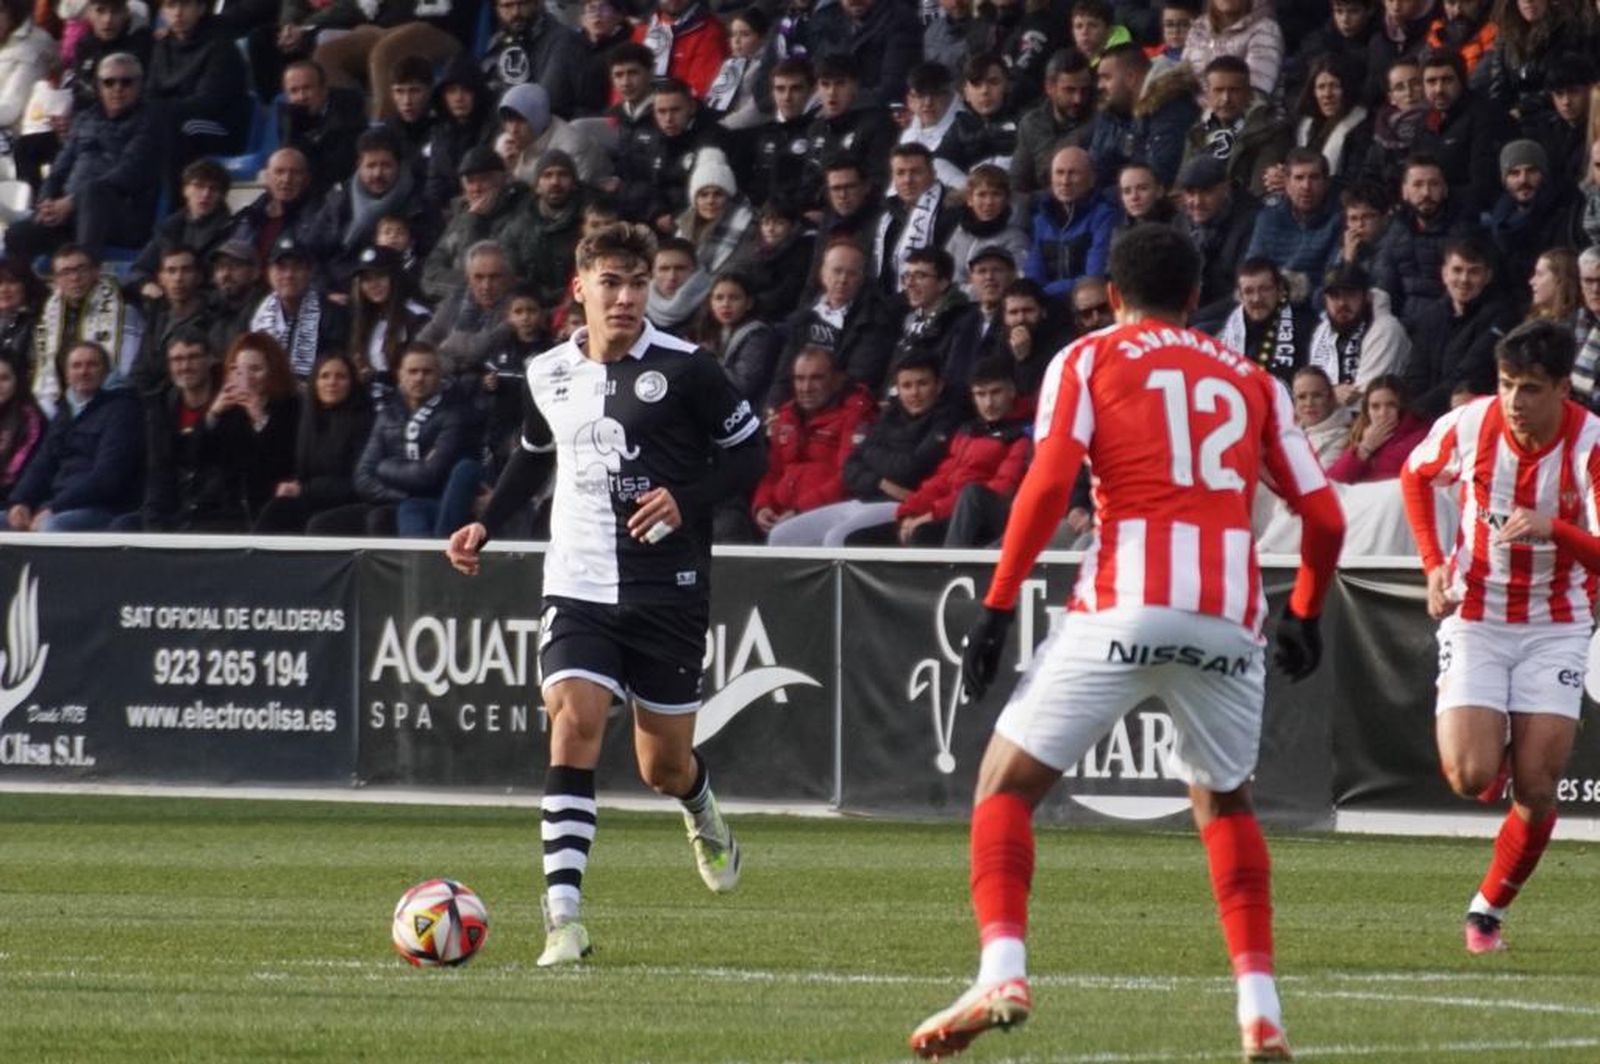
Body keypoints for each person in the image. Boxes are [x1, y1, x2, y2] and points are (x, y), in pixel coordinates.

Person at [907, 223, 1344, 1063]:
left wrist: (998, 604)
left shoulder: (1087, 357)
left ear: (1111, 297)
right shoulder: (1252, 379)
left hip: (1126, 600)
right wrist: (1308, 610)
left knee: (1003, 788)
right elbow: (1323, 516)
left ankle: (1002, 971)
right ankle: (1261, 1011)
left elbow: (1047, 483)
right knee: (1226, 803)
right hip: (1227, 614)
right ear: (1196, 298)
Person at [444, 222, 765, 967]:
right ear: (579, 288)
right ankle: (564, 919)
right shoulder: (547, 372)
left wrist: (687, 498)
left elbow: (752, 453)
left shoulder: (689, 369)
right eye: (611, 283)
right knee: (573, 725)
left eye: (637, 283)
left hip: (668, 590)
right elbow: (534, 453)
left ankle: (701, 809)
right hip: (578, 582)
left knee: (663, 767)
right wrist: (488, 522)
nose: (625, 298)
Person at [1402, 319, 1599, 957]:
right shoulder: (1469, 425)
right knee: (1469, 775)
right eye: (1507, 383)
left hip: (1556, 624)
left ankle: (1487, 910)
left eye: (1531, 388)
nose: (1515, 400)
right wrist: (1434, 565)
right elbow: (1415, 475)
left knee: (1537, 788)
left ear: (1563, 389)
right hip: (1478, 614)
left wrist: (1554, 528)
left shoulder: (1590, 444)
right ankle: (1494, 749)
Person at [768, 352, 960, 546]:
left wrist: (869, 455)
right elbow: (850, 467)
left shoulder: (948, 420)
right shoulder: (889, 415)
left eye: (922, 384)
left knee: (837, 538)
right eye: (907, 386)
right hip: (861, 500)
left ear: (938, 385)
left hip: (900, 506)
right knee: (780, 536)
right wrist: (881, 482)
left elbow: (909, 469)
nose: (914, 393)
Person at [5, 52, 161, 263]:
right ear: (99, 86)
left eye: (126, 82)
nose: (117, 88)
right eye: (109, 82)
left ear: (140, 85)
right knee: (17, 235)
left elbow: (127, 173)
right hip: (70, 213)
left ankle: (86, 273)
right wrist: (47, 202)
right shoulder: (85, 118)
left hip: (124, 216)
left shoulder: (151, 120)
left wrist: (72, 201)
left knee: (92, 191)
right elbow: (60, 168)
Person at [894, 356, 1030, 547]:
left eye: (995, 392)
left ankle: (952, 564)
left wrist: (934, 514)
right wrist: (910, 512)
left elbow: (1003, 488)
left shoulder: (1023, 432)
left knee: (971, 494)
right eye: (981, 395)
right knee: (868, 538)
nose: (989, 403)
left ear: (1011, 391)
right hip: (953, 511)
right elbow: (943, 479)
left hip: (999, 517)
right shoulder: (968, 430)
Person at [7, 341, 144, 531]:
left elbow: (107, 478)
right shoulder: (65, 412)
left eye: (92, 365)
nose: (83, 372)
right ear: (66, 375)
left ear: (106, 371)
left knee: (51, 527)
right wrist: (21, 501)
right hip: (57, 504)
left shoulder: (122, 410)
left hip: (101, 508)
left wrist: (55, 507)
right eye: (76, 366)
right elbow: (42, 464)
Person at [755, 344, 878, 536]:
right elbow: (772, 473)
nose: (806, 388)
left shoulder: (856, 414)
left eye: (816, 378)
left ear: (837, 380)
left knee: (782, 536)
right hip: (781, 517)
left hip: (831, 516)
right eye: (799, 379)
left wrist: (800, 510)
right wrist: (762, 506)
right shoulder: (786, 416)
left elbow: (849, 478)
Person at [254, 352, 375, 534]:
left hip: (351, 502)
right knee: (275, 509)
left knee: (318, 525)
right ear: (315, 382)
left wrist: (304, 490)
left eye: (340, 377)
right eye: (324, 376)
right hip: (312, 498)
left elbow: (358, 483)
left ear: (352, 383)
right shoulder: (307, 418)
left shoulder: (365, 421)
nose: (332, 382)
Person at [1307, 263, 1412, 406]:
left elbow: (1366, 398)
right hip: (1328, 416)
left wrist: (1325, 395)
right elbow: (1310, 388)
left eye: (1350, 295)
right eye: (1334, 296)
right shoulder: (1323, 330)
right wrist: (1331, 393)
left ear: (1367, 296)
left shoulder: (1386, 329)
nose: (1342, 303)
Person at [1024, 145, 1115, 299]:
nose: (1065, 181)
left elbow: (1094, 276)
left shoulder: (1104, 216)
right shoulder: (1040, 221)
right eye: (1059, 173)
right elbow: (1033, 274)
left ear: (1092, 179)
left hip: (1087, 302)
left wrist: (1045, 293)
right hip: (1046, 304)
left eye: (1073, 173)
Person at [1214, 258, 1314, 386]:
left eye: (1264, 289)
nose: (1257, 298)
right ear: (1240, 296)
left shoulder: (1307, 329)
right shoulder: (1227, 334)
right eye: (1249, 292)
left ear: (1279, 290)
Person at [1326, 374, 1429, 483]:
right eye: (1375, 406)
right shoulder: (1359, 434)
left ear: (1402, 406)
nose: (1382, 413)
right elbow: (1334, 482)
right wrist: (1365, 448)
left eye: (1391, 405)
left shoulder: (1421, 437)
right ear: (1367, 410)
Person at [1289, 365, 1352, 468]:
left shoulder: (1345, 438)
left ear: (1331, 398)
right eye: (1301, 397)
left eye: (1317, 396)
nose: (1309, 403)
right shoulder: (1289, 433)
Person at [0, 355, 43, 504]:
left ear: (17, 381)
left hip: (14, 498)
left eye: (4, 379)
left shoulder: (30, 417)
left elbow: (16, 470)